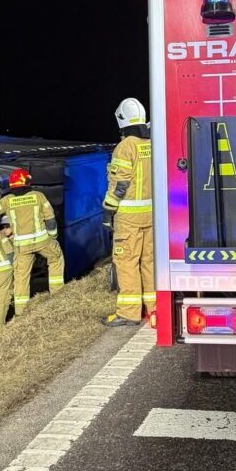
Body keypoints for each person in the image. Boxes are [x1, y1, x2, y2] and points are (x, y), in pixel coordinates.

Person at [0, 168, 63, 314]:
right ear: (26, 181)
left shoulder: (7, 200)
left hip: (21, 246)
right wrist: (53, 236)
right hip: (41, 241)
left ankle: (21, 311)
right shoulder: (38, 196)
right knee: (56, 258)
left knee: (21, 277)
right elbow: (50, 219)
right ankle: (58, 294)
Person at [101, 97, 154, 328]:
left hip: (128, 218)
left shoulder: (125, 147)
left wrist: (108, 211)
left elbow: (119, 185)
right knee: (149, 261)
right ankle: (154, 309)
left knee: (126, 262)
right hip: (151, 216)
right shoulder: (151, 143)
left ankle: (129, 312)